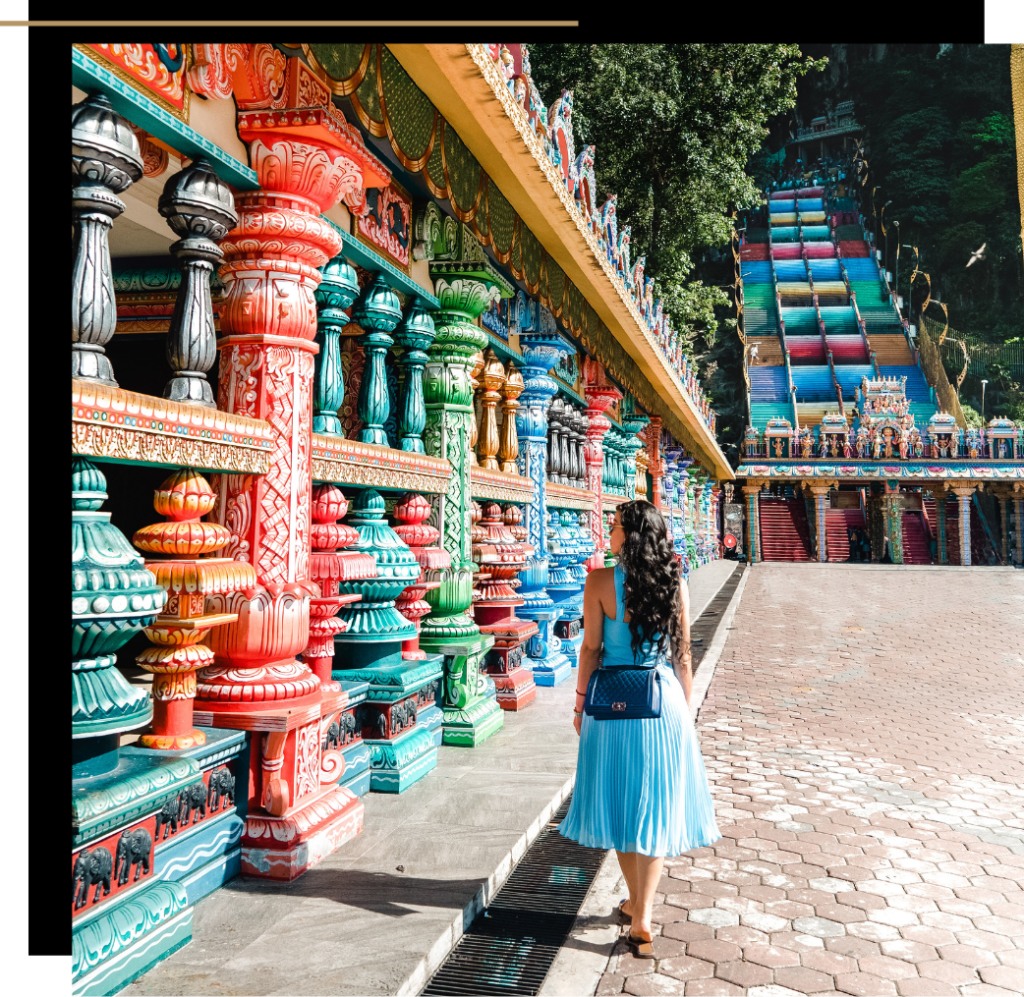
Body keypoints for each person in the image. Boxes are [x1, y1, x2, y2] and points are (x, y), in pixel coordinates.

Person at [558, 500, 721, 958]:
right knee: (651, 808)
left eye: (612, 528)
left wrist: (578, 706)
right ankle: (641, 912)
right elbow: (683, 656)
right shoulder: (675, 581)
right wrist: (683, 715)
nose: (607, 535)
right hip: (661, 699)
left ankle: (636, 903)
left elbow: (590, 650)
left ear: (629, 536)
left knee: (620, 805)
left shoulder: (598, 582)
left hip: (611, 701)